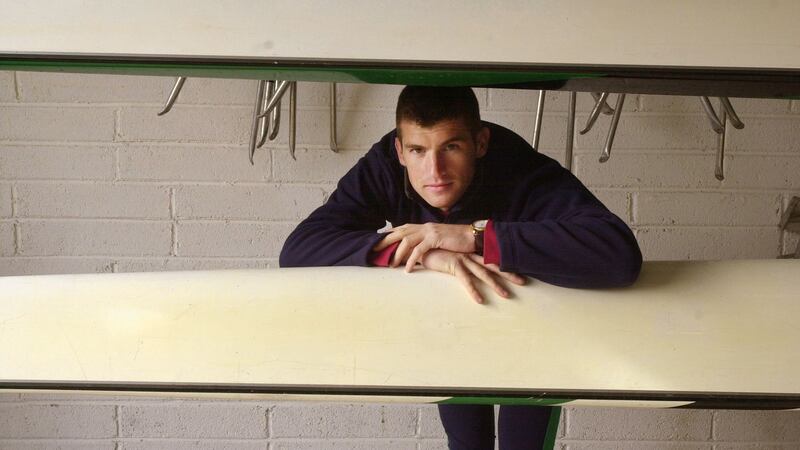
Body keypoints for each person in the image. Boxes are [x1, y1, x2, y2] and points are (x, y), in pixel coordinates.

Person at [280, 86, 642, 450]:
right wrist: (422, 252)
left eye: (451, 147)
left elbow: (618, 253)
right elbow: (299, 249)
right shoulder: (386, 166)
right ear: (400, 151)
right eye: (418, 151)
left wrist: (475, 237)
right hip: (450, 324)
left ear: (480, 143)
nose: (434, 170)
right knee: (467, 444)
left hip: (536, 326)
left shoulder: (518, 166)